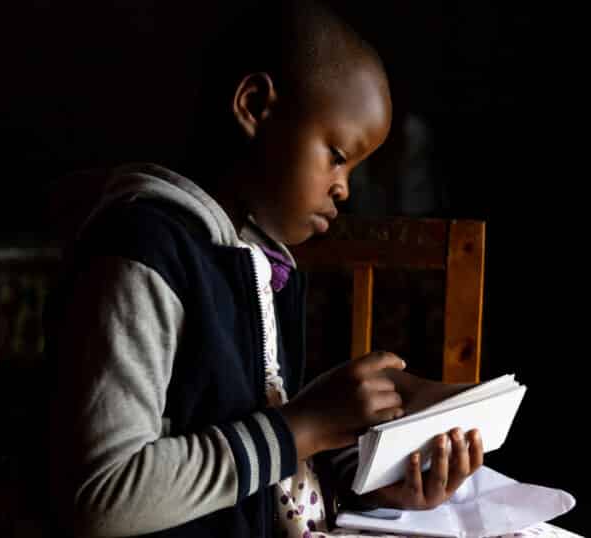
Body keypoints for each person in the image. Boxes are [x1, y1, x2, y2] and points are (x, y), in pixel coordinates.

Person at [45, 1, 482, 537]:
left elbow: (243, 469)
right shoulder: (142, 257)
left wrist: (363, 481)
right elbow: (101, 496)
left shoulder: (256, 261)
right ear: (254, 107)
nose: (344, 188)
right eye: (338, 155)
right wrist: (301, 426)